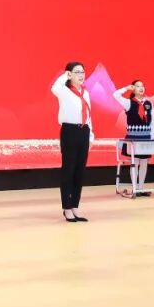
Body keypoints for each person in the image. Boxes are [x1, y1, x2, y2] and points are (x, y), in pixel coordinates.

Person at [51, 62, 93, 222]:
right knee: (68, 170)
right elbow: (54, 88)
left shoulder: (85, 92)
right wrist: (65, 75)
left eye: (83, 72)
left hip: (84, 131)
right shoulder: (64, 91)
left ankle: (75, 206)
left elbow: (89, 114)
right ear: (69, 74)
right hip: (69, 131)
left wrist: (90, 135)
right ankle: (67, 208)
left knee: (79, 171)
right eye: (77, 72)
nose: (81, 75)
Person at [112, 80, 154, 195]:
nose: (141, 88)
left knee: (144, 162)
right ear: (133, 89)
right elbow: (115, 95)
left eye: (142, 86)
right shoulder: (128, 103)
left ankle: (141, 188)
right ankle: (135, 188)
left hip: (146, 137)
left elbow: (153, 122)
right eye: (138, 86)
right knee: (134, 162)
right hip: (133, 138)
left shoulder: (149, 103)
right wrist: (126, 88)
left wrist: (153, 137)